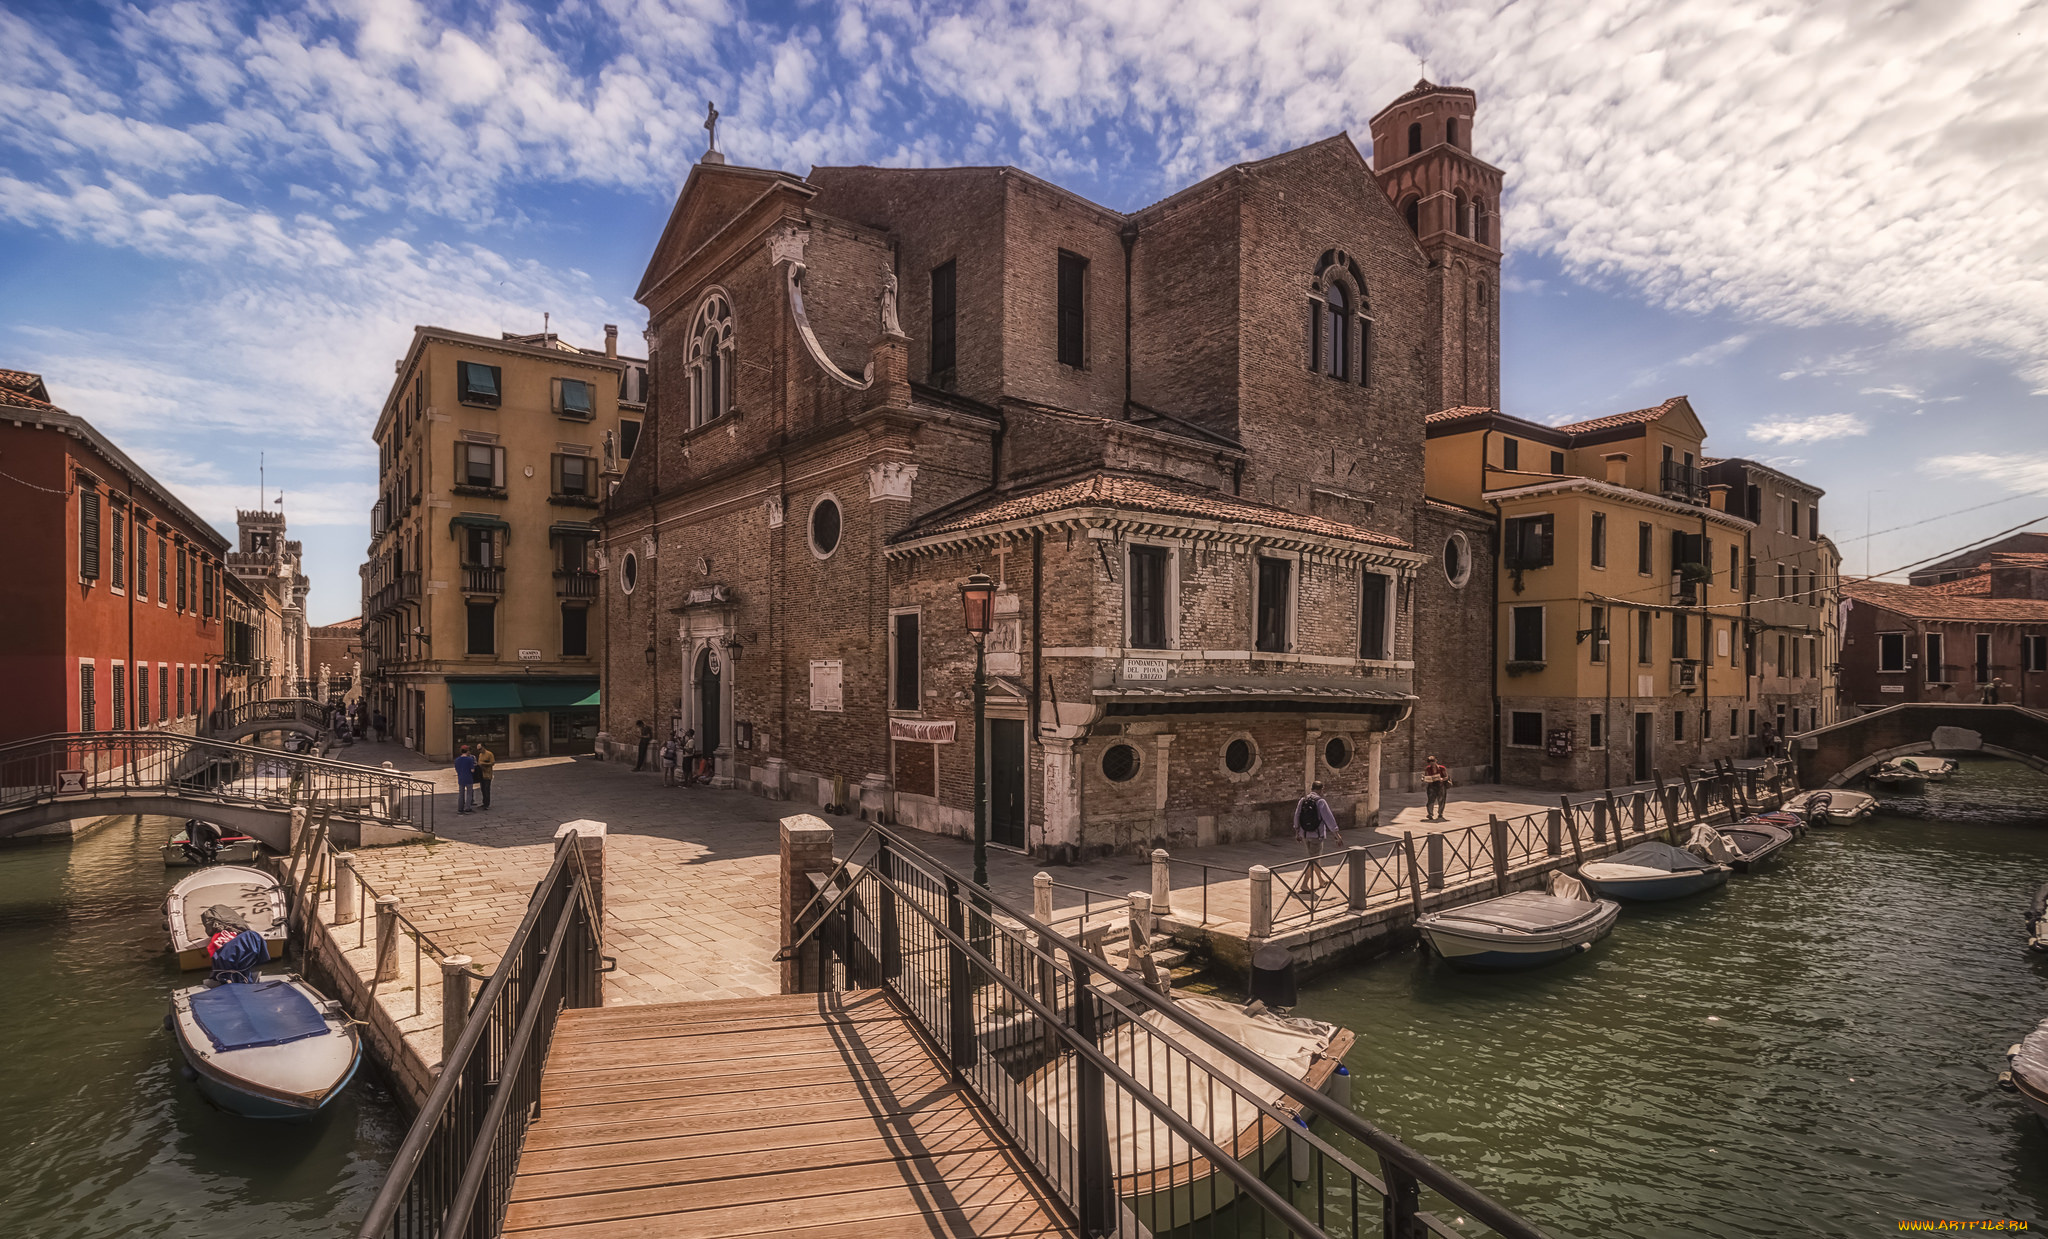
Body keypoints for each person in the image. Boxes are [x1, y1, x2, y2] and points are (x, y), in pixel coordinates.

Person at [1293, 781, 1342, 903]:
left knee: (1314, 859)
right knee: (1313, 860)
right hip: (1316, 836)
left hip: (1304, 835)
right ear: (1321, 789)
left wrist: (1297, 832)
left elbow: (1297, 816)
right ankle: (1304, 884)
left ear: (1312, 788)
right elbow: (1329, 819)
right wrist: (1337, 835)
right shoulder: (1320, 802)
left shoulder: (1302, 800)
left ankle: (1321, 881)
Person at [1422, 755, 1451, 822]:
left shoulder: (1442, 768)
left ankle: (1440, 813)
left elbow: (1446, 777)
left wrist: (1442, 779)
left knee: (1441, 800)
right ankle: (1430, 814)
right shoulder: (1428, 769)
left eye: (1433, 762)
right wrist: (1424, 779)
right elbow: (1426, 776)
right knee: (1430, 801)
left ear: (1436, 761)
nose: (1432, 764)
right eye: (1430, 763)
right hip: (1432, 786)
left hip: (1441, 785)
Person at [454, 745, 476, 813]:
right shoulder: (470, 759)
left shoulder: (457, 760)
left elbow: (457, 769)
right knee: (469, 793)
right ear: (467, 751)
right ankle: (467, 807)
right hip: (468, 778)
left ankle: (460, 808)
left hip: (461, 778)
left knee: (461, 794)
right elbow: (472, 770)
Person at [476, 744, 495, 810]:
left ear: (483, 747)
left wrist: (484, 764)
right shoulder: (480, 755)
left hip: (488, 774)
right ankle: (484, 802)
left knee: (487, 789)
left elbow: (492, 763)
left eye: (480, 749)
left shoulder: (489, 754)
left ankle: (487, 803)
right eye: (478, 750)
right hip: (482, 774)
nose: (479, 751)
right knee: (483, 789)